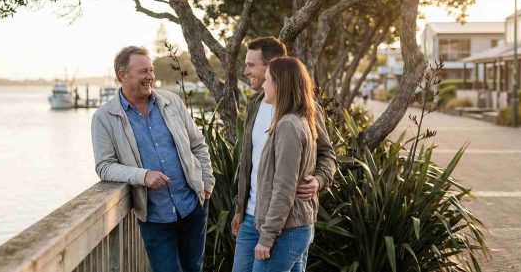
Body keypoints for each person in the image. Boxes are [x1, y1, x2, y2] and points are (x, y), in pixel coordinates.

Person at [91, 46, 214, 272]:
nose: (150, 77)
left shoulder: (172, 102)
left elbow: (198, 143)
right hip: (155, 217)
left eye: (151, 70)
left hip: (193, 206)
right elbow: (104, 167)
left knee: (193, 269)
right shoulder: (104, 117)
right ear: (122, 75)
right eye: (143, 71)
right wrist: (143, 176)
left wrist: (206, 183)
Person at [232, 37, 337, 272]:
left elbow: (326, 155)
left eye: (251, 65)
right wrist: (240, 209)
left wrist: (319, 181)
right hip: (251, 216)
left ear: (272, 66)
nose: (246, 71)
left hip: (287, 220)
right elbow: (251, 164)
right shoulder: (255, 105)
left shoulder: (302, 112)